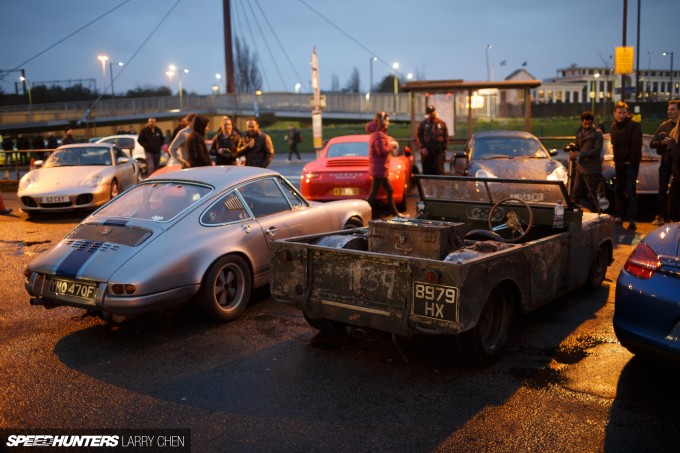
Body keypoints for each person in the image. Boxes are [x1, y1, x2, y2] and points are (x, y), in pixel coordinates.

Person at [365, 112, 407, 218]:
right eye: (387, 120)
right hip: (380, 169)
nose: (388, 123)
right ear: (382, 121)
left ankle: (395, 214)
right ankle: (360, 212)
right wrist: (391, 146)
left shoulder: (377, 133)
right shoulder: (379, 134)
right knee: (373, 195)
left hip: (380, 168)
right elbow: (381, 151)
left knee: (388, 190)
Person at [610, 101, 643, 229]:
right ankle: (619, 215)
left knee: (630, 190)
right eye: (619, 113)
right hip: (619, 164)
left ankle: (631, 218)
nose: (621, 115)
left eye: (624, 113)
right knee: (619, 190)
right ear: (614, 113)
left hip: (630, 164)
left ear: (627, 113)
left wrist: (630, 160)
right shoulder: (614, 127)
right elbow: (614, 144)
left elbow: (636, 145)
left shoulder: (634, 126)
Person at [649, 99, 680, 225]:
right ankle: (661, 216)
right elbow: (652, 143)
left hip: (678, 163)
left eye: (673, 109)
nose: (670, 112)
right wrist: (662, 142)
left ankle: (674, 217)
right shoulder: (664, 125)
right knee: (662, 189)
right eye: (668, 109)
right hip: (666, 160)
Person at [568, 111, 604, 211]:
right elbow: (578, 146)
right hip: (581, 166)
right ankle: (572, 211)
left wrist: (580, 154)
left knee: (591, 192)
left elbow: (597, 151)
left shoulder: (597, 134)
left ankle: (596, 211)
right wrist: (572, 154)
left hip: (592, 168)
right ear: (581, 122)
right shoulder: (579, 133)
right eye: (585, 124)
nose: (587, 126)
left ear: (593, 122)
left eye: (589, 124)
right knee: (575, 190)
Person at [416, 105, 449, 175]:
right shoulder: (423, 124)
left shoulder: (441, 123)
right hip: (427, 152)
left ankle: (439, 185)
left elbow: (446, 136)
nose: (432, 114)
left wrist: (443, 148)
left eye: (433, 112)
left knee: (439, 171)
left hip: (438, 152)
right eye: (430, 112)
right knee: (427, 172)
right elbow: (419, 136)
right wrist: (422, 147)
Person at [663, 115, 680, 222]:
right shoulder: (675, 132)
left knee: (673, 209)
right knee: (672, 209)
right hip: (677, 175)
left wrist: (672, 146)